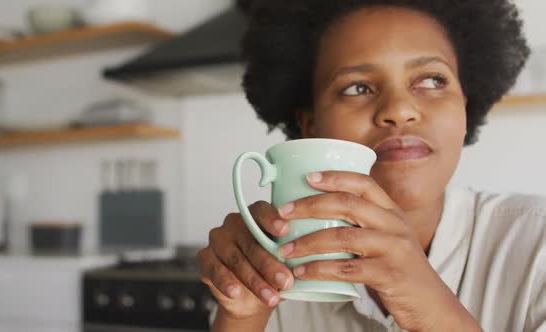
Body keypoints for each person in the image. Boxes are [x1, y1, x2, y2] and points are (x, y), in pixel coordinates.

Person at [195, 0, 545, 331]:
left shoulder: (537, 245)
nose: (398, 109)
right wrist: (241, 316)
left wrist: (430, 306)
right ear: (310, 125)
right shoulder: (277, 265)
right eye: (357, 87)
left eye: (432, 80)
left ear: (464, 110)